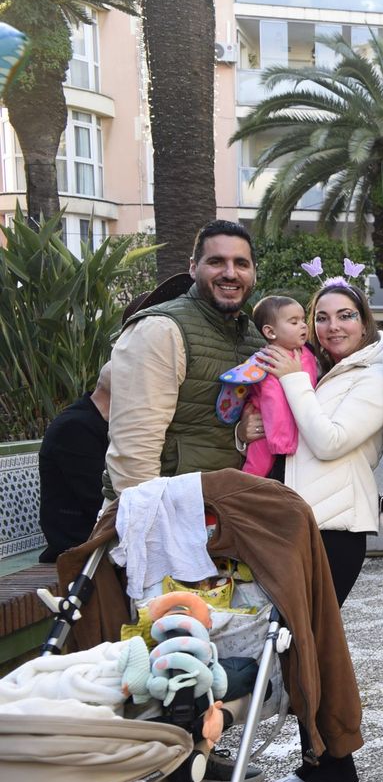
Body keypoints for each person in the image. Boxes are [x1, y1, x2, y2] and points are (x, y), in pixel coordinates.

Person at [245, 278, 383, 782]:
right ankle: (313, 760)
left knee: (316, 647)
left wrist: (290, 382)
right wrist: (249, 428)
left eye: (346, 315)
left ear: (364, 321)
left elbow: (330, 441)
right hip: (297, 524)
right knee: (294, 647)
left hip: (337, 527)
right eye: (323, 316)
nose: (334, 326)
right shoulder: (318, 369)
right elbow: (287, 441)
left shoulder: (376, 375)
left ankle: (338, 771)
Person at [105, 220, 266, 495]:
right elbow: (134, 451)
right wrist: (148, 525)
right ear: (193, 267)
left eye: (241, 263)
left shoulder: (252, 337)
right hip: (164, 515)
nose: (230, 273)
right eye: (216, 262)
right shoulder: (160, 329)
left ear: (254, 273)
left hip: (221, 512)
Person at [228, 295, 319, 479]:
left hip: (299, 429)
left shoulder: (305, 352)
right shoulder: (270, 360)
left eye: (303, 320)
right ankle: (245, 491)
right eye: (294, 322)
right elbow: (273, 402)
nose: (303, 325)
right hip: (268, 428)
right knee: (256, 468)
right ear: (270, 332)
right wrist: (281, 442)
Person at [37, 363, 111, 562]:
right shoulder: (74, 427)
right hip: (76, 544)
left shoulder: (95, 422)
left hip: (98, 536)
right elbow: (97, 497)